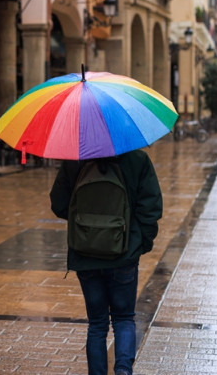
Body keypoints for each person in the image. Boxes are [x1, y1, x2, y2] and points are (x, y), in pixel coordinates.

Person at [50, 149, 163, 375]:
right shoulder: (137, 159)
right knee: (123, 319)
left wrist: (86, 226)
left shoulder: (75, 160)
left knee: (97, 324)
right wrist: (139, 244)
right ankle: (122, 371)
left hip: (85, 254)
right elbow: (151, 209)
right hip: (124, 255)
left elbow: (59, 204)